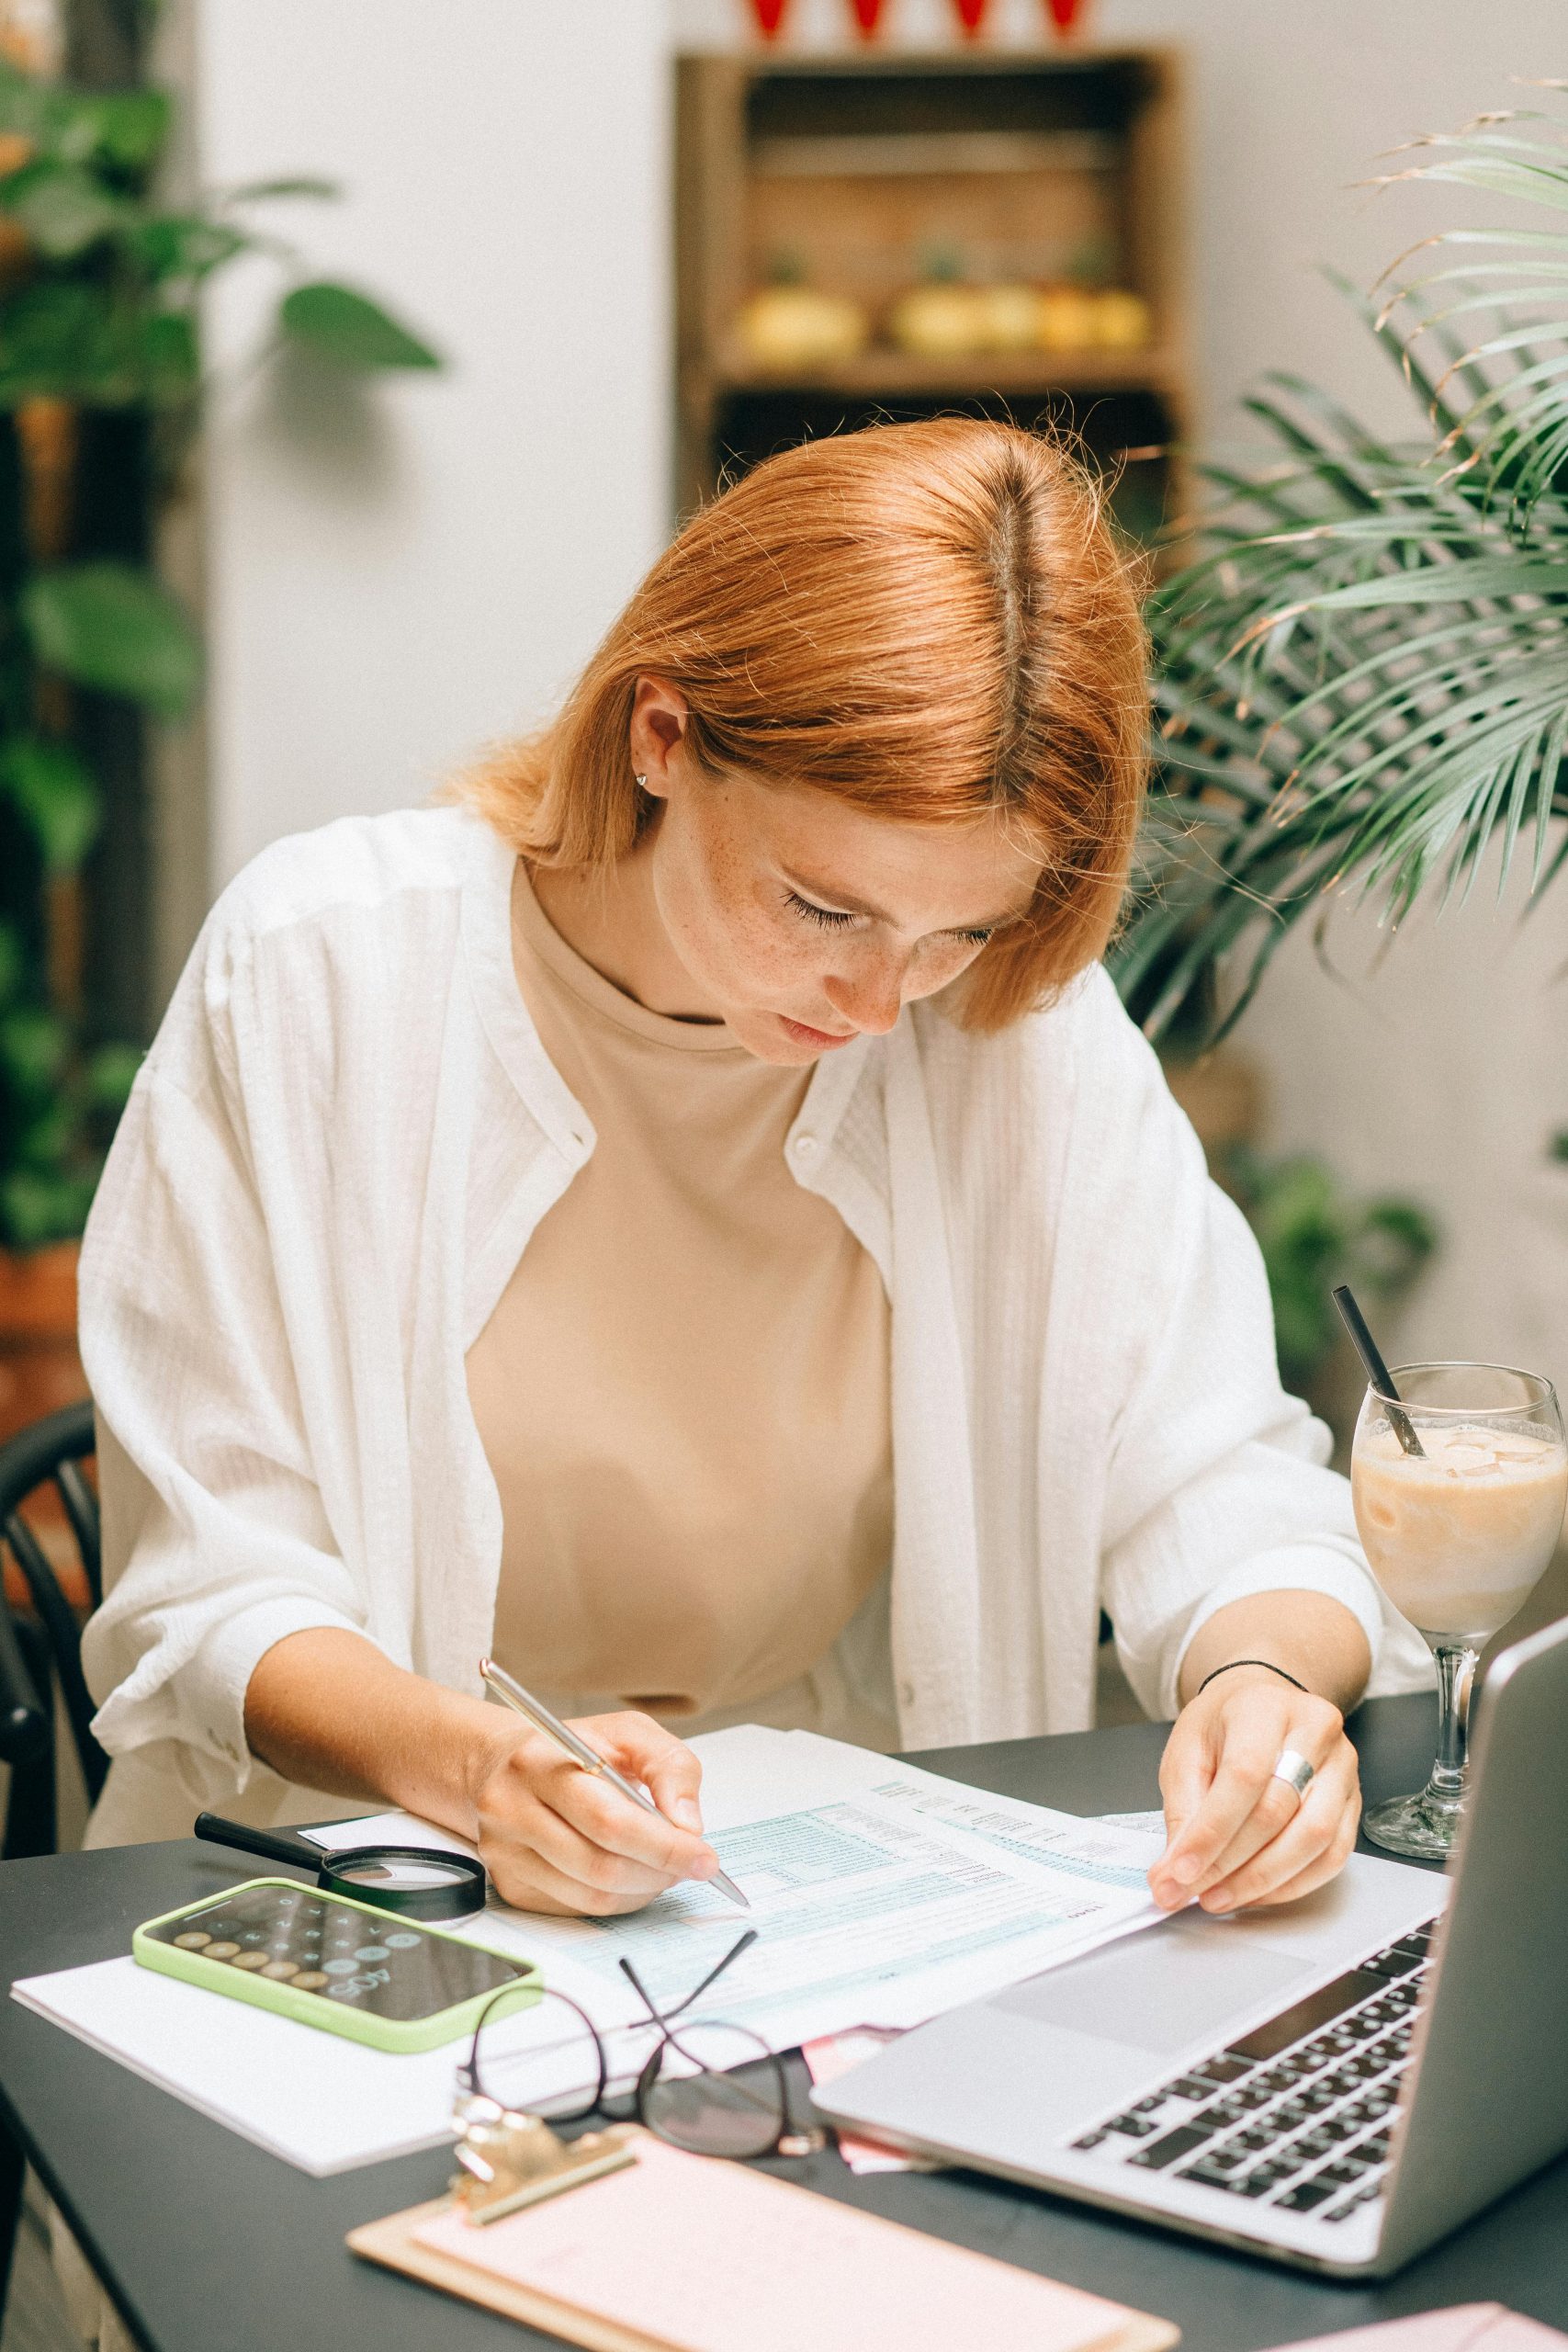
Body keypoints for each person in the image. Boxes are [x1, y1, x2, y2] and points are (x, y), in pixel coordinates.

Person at [79, 417, 1427, 1924]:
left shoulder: (1009, 1032)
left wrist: (1262, 1682)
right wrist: (481, 1776)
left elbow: (1218, 1470)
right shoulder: (320, 973)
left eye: (960, 930)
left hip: (815, 1896)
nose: (875, 1003)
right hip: (362, 1884)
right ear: (661, 735)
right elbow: (210, 1590)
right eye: (822, 906)